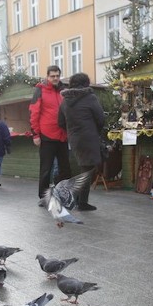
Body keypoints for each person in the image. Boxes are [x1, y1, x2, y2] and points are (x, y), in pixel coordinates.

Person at [58, 72, 105, 211]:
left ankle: (79, 200)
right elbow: (101, 118)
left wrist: (72, 131)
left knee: (84, 168)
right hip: (89, 138)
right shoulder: (90, 97)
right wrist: (93, 130)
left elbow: (60, 122)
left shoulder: (65, 101)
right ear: (86, 83)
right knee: (87, 171)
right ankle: (80, 202)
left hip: (74, 139)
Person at [30, 65, 71, 204]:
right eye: (52, 76)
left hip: (63, 135)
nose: (55, 78)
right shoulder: (40, 90)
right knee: (46, 168)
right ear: (47, 76)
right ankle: (43, 196)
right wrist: (35, 134)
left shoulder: (64, 91)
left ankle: (63, 194)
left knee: (65, 168)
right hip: (47, 135)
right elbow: (34, 112)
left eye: (57, 76)